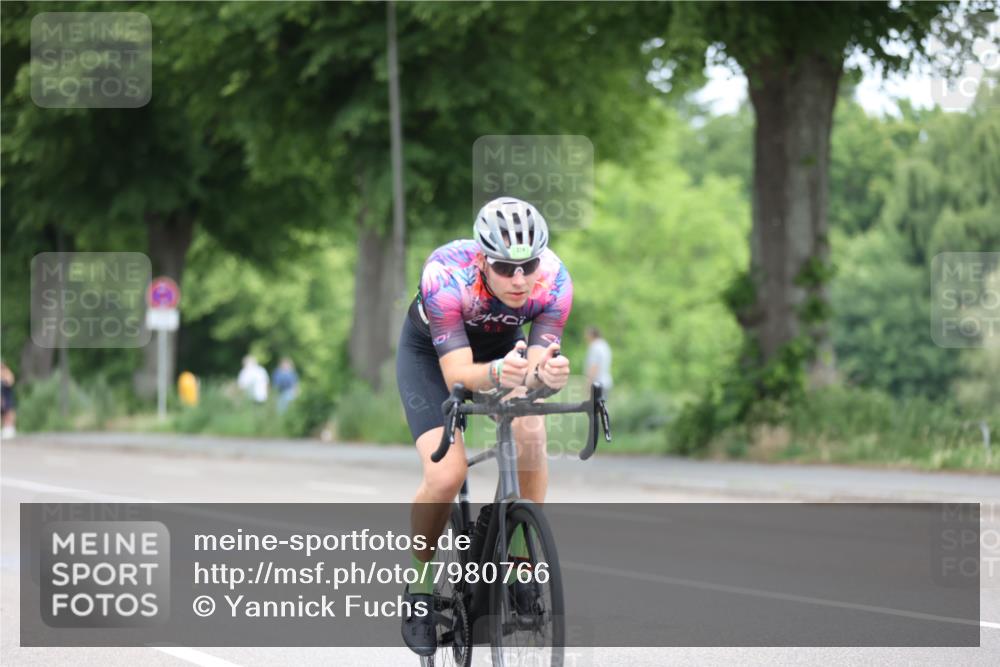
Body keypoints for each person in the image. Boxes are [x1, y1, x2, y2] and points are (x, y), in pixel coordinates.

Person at [395, 197, 572, 655]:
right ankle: (419, 586)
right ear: (481, 259)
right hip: (434, 358)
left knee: (530, 432)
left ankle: (516, 566)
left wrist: (545, 376)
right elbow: (457, 376)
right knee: (446, 474)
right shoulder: (445, 276)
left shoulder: (553, 281)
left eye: (528, 265)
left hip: (501, 351)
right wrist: (498, 375)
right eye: (503, 267)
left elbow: (533, 370)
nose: (519, 279)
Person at [584, 326, 613, 397]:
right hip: (606, 382)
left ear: (591, 335)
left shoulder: (595, 346)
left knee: (595, 407)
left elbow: (594, 367)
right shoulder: (604, 345)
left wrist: (589, 384)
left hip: (597, 383)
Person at [1, 361, 16, 439]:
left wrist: (4, 379)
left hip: (8, 397)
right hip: (3, 398)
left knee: (9, 413)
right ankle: (5, 429)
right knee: (3, 414)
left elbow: (10, 382)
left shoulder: (8, 373)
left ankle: (11, 429)